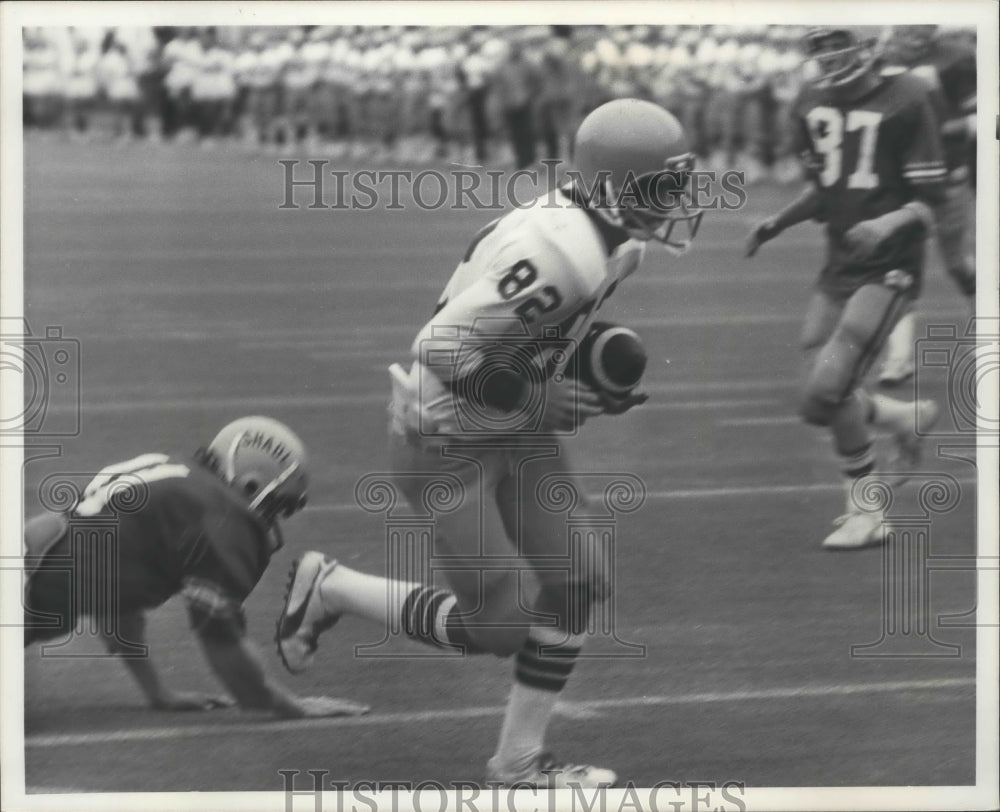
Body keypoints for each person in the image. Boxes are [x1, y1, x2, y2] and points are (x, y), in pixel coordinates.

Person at [276, 98, 703, 788]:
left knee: (579, 579)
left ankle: (519, 760)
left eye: (676, 182)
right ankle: (333, 587)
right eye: (659, 185)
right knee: (497, 628)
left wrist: (586, 365)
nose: (674, 199)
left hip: (513, 424)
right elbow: (438, 345)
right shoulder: (560, 249)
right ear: (610, 186)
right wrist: (538, 394)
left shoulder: (601, 233)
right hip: (447, 435)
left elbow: (543, 325)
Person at [745, 27, 945, 550]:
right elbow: (826, 190)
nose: (829, 57)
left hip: (891, 264)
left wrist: (886, 224)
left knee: (829, 389)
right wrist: (778, 222)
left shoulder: (909, 98)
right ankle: (905, 417)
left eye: (839, 43)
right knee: (820, 403)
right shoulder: (811, 102)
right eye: (819, 47)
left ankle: (869, 512)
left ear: (870, 44)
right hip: (840, 264)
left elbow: (931, 202)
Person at [24, 416, 367, 719]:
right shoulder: (219, 513)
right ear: (250, 484)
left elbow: (114, 597)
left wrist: (157, 692)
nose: (273, 521)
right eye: (277, 506)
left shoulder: (167, 471)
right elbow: (220, 638)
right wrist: (286, 705)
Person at [877, 24, 977, 385]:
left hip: (945, 173)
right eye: (908, 29)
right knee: (899, 266)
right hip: (901, 180)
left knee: (955, 261)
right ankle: (899, 358)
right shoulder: (881, 61)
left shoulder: (954, 59)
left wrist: (934, 127)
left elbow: (974, 121)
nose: (914, 36)